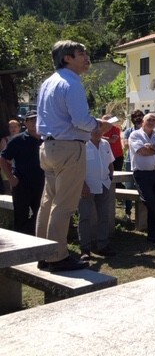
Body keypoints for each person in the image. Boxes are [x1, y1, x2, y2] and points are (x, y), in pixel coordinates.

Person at [36, 40, 112, 272]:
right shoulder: (72, 82)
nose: (87, 57)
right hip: (69, 147)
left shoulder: (48, 82)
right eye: (81, 53)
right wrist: (98, 126)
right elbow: (80, 120)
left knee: (48, 203)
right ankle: (57, 257)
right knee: (65, 205)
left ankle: (42, 254)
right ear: (67, 58)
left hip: (48, 147)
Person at [0, 110, 44, 234]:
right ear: (25, 123)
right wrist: (11, 178)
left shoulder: (45, 139)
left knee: (40, 215)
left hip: (41, 184)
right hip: (21, 184)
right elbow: (3, 159)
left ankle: (36, 238)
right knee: (21, 217)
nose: (35, 123)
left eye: (37, 120)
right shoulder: (18, 140)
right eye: (32, 120)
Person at [129, 113, 155, 245]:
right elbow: (142, 152)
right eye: (149, 120)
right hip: (142, 174)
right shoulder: (135, 135)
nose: (151, 122)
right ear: (143, 122)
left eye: (153, 120)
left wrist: (151, 147)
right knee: (149, 201)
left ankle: (152, 235)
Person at [78, 126, 116, 261]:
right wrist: (82, 185)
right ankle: (85, 249)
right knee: (85, 217)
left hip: (104, 184)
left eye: (100, 129)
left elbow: (110, 162)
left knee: (104, 216)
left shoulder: (105, 144)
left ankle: (103, 245)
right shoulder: (82, 144)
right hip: (87, 186)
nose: (98, 132)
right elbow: (77, 167)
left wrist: (110, 177)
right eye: (95, 129)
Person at [122, 110, 144, 220]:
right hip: (130, 161)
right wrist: (142, 147)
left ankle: (142, 214)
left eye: (140, 116)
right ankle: (128, 212)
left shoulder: (147, 130)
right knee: (129, 187)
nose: (138, 118)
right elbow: (126, 145)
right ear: (132, 119)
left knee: (142, 187)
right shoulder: (128, 131)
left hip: (143, 162)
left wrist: (137, 146)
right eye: (135, 116)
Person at [1, 119, 24, 194]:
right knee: (9, 189)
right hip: (8, 167)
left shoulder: (24, 139)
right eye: (11, 127)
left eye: (15, 127)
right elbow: (3, 156)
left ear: (19, 128)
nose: (13, 129)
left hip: (21, 168)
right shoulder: (4, 140)